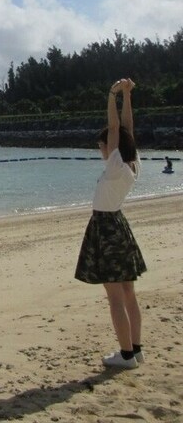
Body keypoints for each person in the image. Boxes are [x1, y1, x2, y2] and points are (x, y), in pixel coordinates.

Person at [75, 78, 147, 369]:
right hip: (118, 225)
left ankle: (126, 355)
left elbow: (117, 128)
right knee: (128, 292)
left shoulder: (116, 167)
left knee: (115, 297)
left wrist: (111, 94)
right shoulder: (131, 164)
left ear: (111, 146)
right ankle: (136, 350)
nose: (101, 149)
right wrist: (127, 96)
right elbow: (127, 128)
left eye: (101, 145)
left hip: (107, 229)